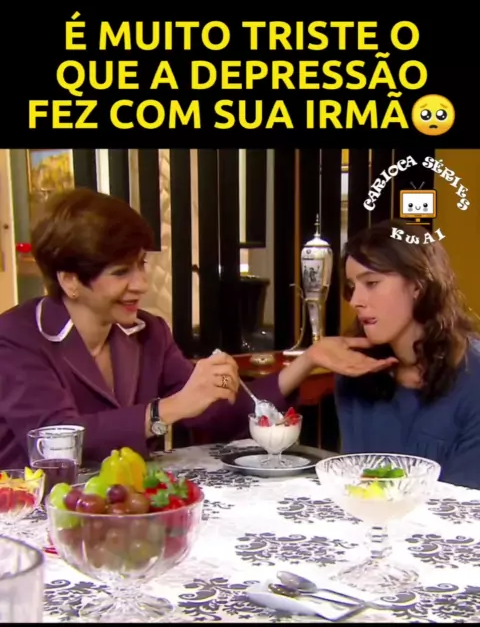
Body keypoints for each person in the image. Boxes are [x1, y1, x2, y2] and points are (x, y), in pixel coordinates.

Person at [0, 189, 391, 469]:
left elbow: (216, 418)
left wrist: (306, 361)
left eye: (141, 264)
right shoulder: (16, 337)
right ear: (70, 280)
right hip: (33, 518)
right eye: (121, 272)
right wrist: (166, 409)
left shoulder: (150, 332)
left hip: (126, 508)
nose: (141, 284)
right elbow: (56, 441)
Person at [332, 218, 480, 490]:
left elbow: (468, 502)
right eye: (352, 287)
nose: (355, 301)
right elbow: (357, 486)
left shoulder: (474, 377)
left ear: (417, 285)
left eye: (371, 283)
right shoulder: (354, 373)